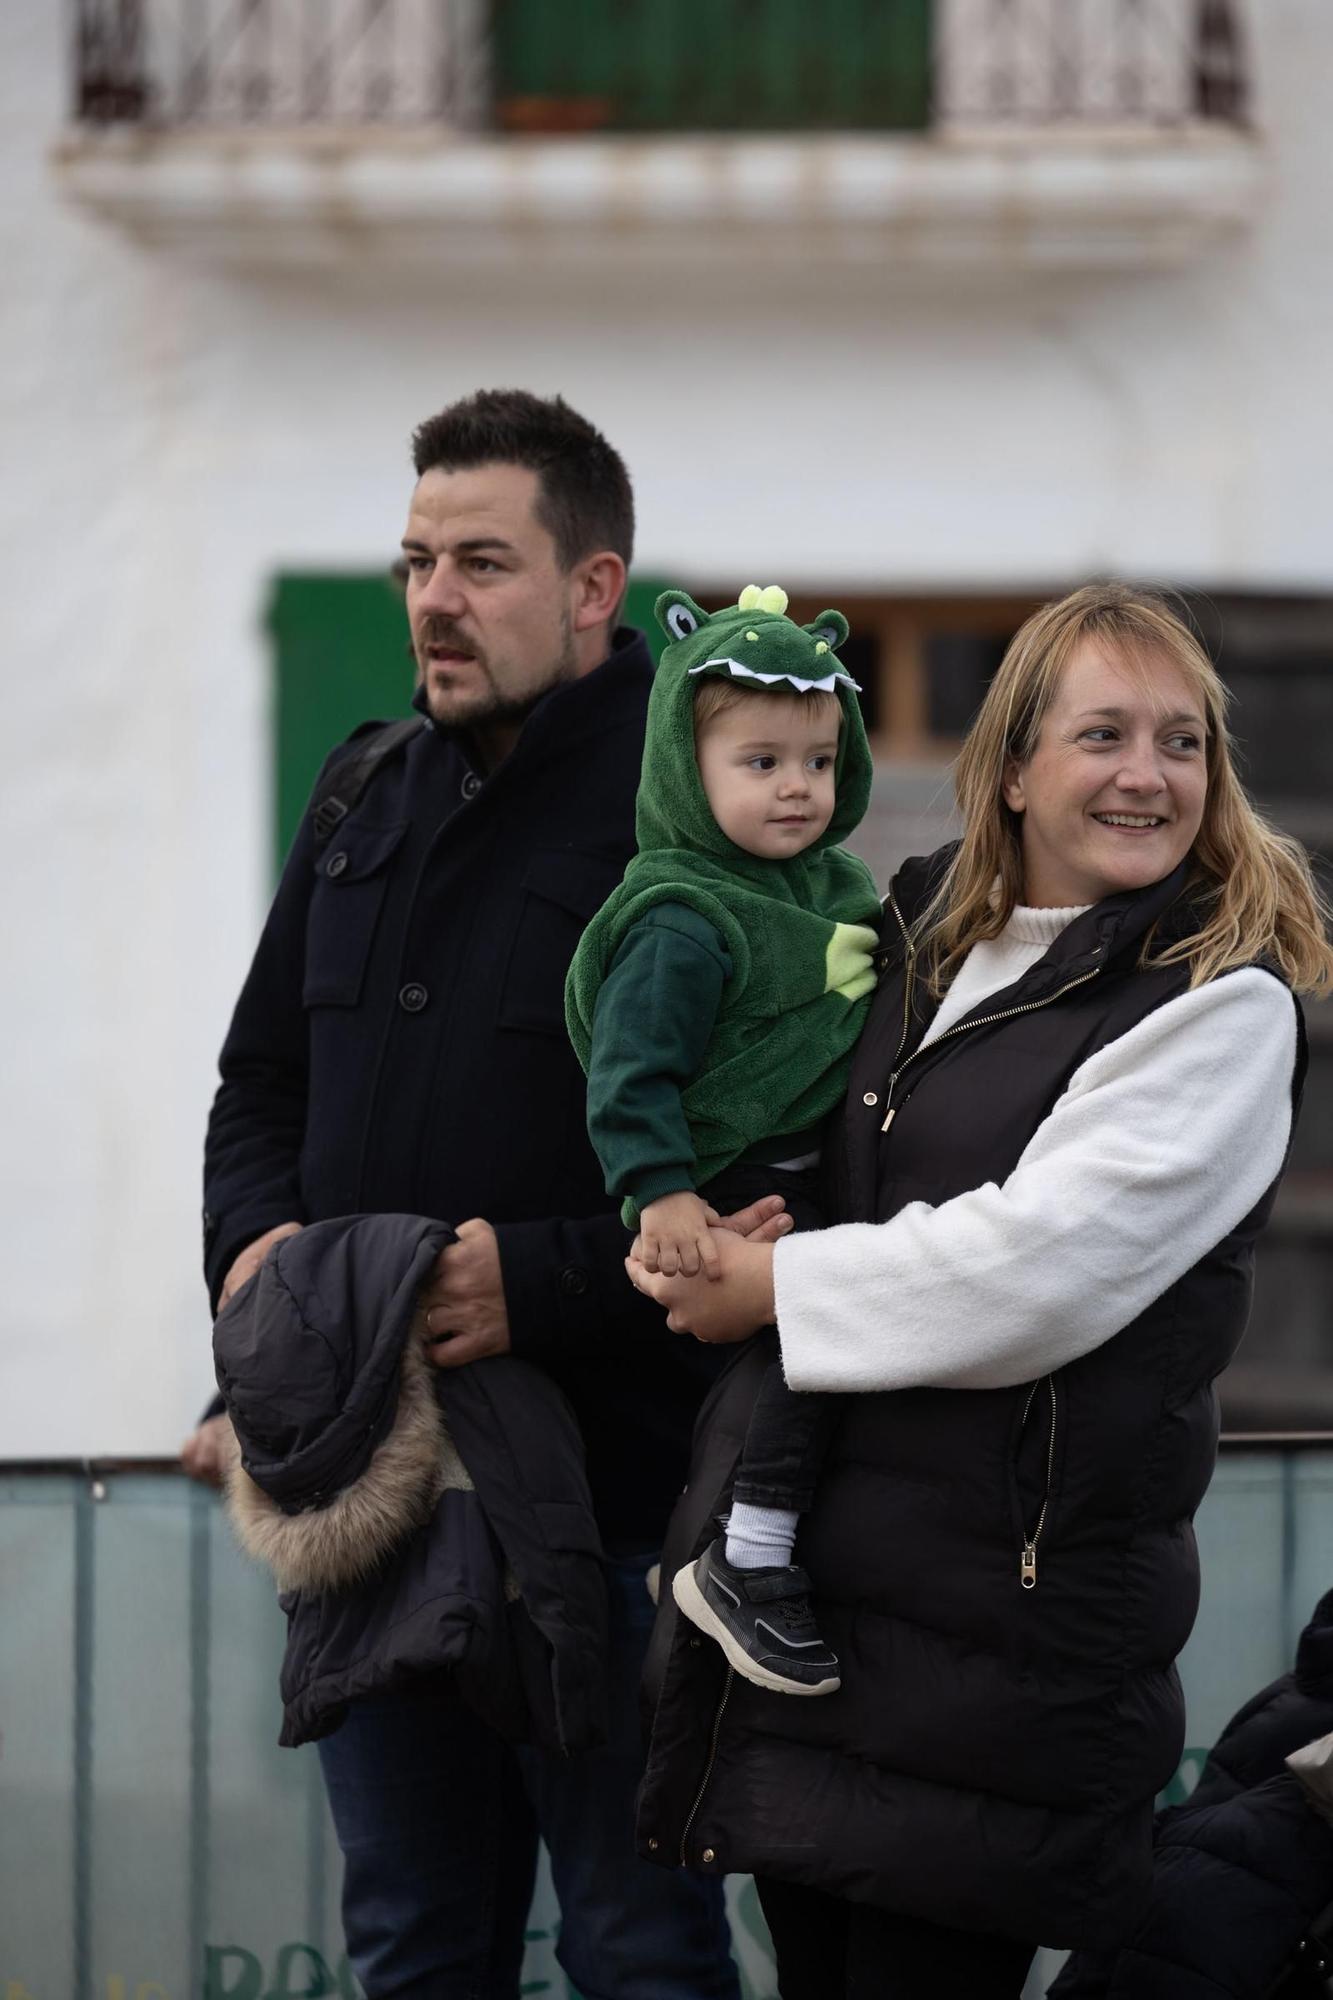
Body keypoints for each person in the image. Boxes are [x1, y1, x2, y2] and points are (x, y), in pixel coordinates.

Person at [627, 583, 1333, 1998]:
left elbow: (1035, 1270)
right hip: (816, 1627)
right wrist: (698, 1221)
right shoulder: (919, 944)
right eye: (1104, 735)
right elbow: (821, 1162)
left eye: (1181, 742)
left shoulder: (1217, 1002)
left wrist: (771, 1286)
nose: (1147, 774)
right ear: (1011, 767)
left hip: (1000, 1665)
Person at [201, 389, 782, 2000]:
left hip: (625, 1516)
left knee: (640, 1953)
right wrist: (256, 1270)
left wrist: (534, 1280)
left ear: (594, 589)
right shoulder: (360, 792)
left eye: (478, 563)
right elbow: (258, 1089)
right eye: (411, 565)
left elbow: (766, 1187)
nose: (432, 602)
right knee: (414, 1952)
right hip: (374, 1501)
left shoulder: (706, 826)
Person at [566, 583, 880, 1695]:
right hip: (735, 1176)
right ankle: (744, 1558)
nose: (797, 787)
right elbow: (630, 1068)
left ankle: (708, 1547)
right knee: (821, 1338)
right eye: (760, 762)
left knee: (823, 1358)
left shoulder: (821, 889)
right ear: (684, 772)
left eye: (818, 761)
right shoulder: (683, 918)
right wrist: (661, 1194)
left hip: (810, 1160)